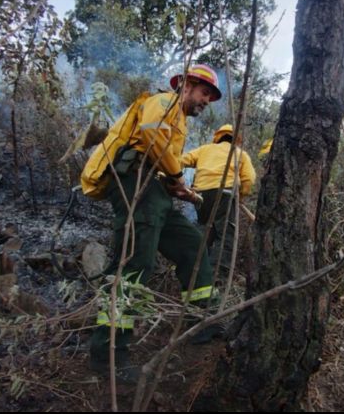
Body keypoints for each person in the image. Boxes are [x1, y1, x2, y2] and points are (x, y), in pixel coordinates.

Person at [80, 63, 222, 382]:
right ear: (185, 84)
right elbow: (151, 136)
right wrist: (175, 176)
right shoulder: (163, 101)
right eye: (204, 92)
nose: (206, 100)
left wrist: (179, 189)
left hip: (155, 191)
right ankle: (108, 355)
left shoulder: (180, 119)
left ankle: (201, 322)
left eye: (210, 97)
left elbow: (163, 157)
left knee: (192, 246)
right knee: (135, 265)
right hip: (136, 185)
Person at [181, 124, 256, 271]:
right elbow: (249, 179)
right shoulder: (240, 153)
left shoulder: (205, 149)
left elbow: (182, 160)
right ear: (237, 139)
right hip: (225, 194)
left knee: (204, 229)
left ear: (218, 137)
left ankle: (196, 268)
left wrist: (173, 177)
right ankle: (218, 274)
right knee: (227, 234)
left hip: (200, 194)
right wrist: (242, 195)